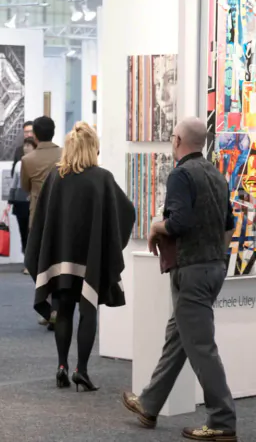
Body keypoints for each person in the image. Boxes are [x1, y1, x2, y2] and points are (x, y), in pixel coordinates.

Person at [122, 117, 237, 441]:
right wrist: (217, 255)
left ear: (176, 141)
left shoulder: (181, 175)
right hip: (213, 267)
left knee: (201, 347)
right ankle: (149, 403)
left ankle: (222, 421)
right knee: (179, 338)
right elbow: (229, 224)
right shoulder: (216, 174)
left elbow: (180, 222)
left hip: (193, 271)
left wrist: (158, 227)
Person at [25, 122, 135, 392]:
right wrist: (110, 242)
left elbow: (42, 221)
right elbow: (127, 211)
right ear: (92, 148)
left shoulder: (55, 177)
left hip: (59, 259)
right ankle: (81, 370)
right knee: (88, 311)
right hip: (90, 261)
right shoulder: (102, 178)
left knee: (63, 310)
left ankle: (61, 366)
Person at [21, 116, 63, 328]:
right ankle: (57, 304)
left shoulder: (28, 160)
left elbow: (26, 187)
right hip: (63, 215)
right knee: (59, 260)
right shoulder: (64, 154)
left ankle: (46, 304)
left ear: (34, 135)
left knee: (36, 260)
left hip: (38, 215)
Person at [9, 136, 37, 274]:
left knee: (32, 232)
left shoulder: (37, 162)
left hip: (33, 201)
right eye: (25, 145)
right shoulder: (19, 164)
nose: (26, 148)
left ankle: (32, 263)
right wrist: (10, 200)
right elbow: (14, 183)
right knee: (23, 233)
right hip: (20, 201)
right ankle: (27, 261)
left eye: (29, 145)